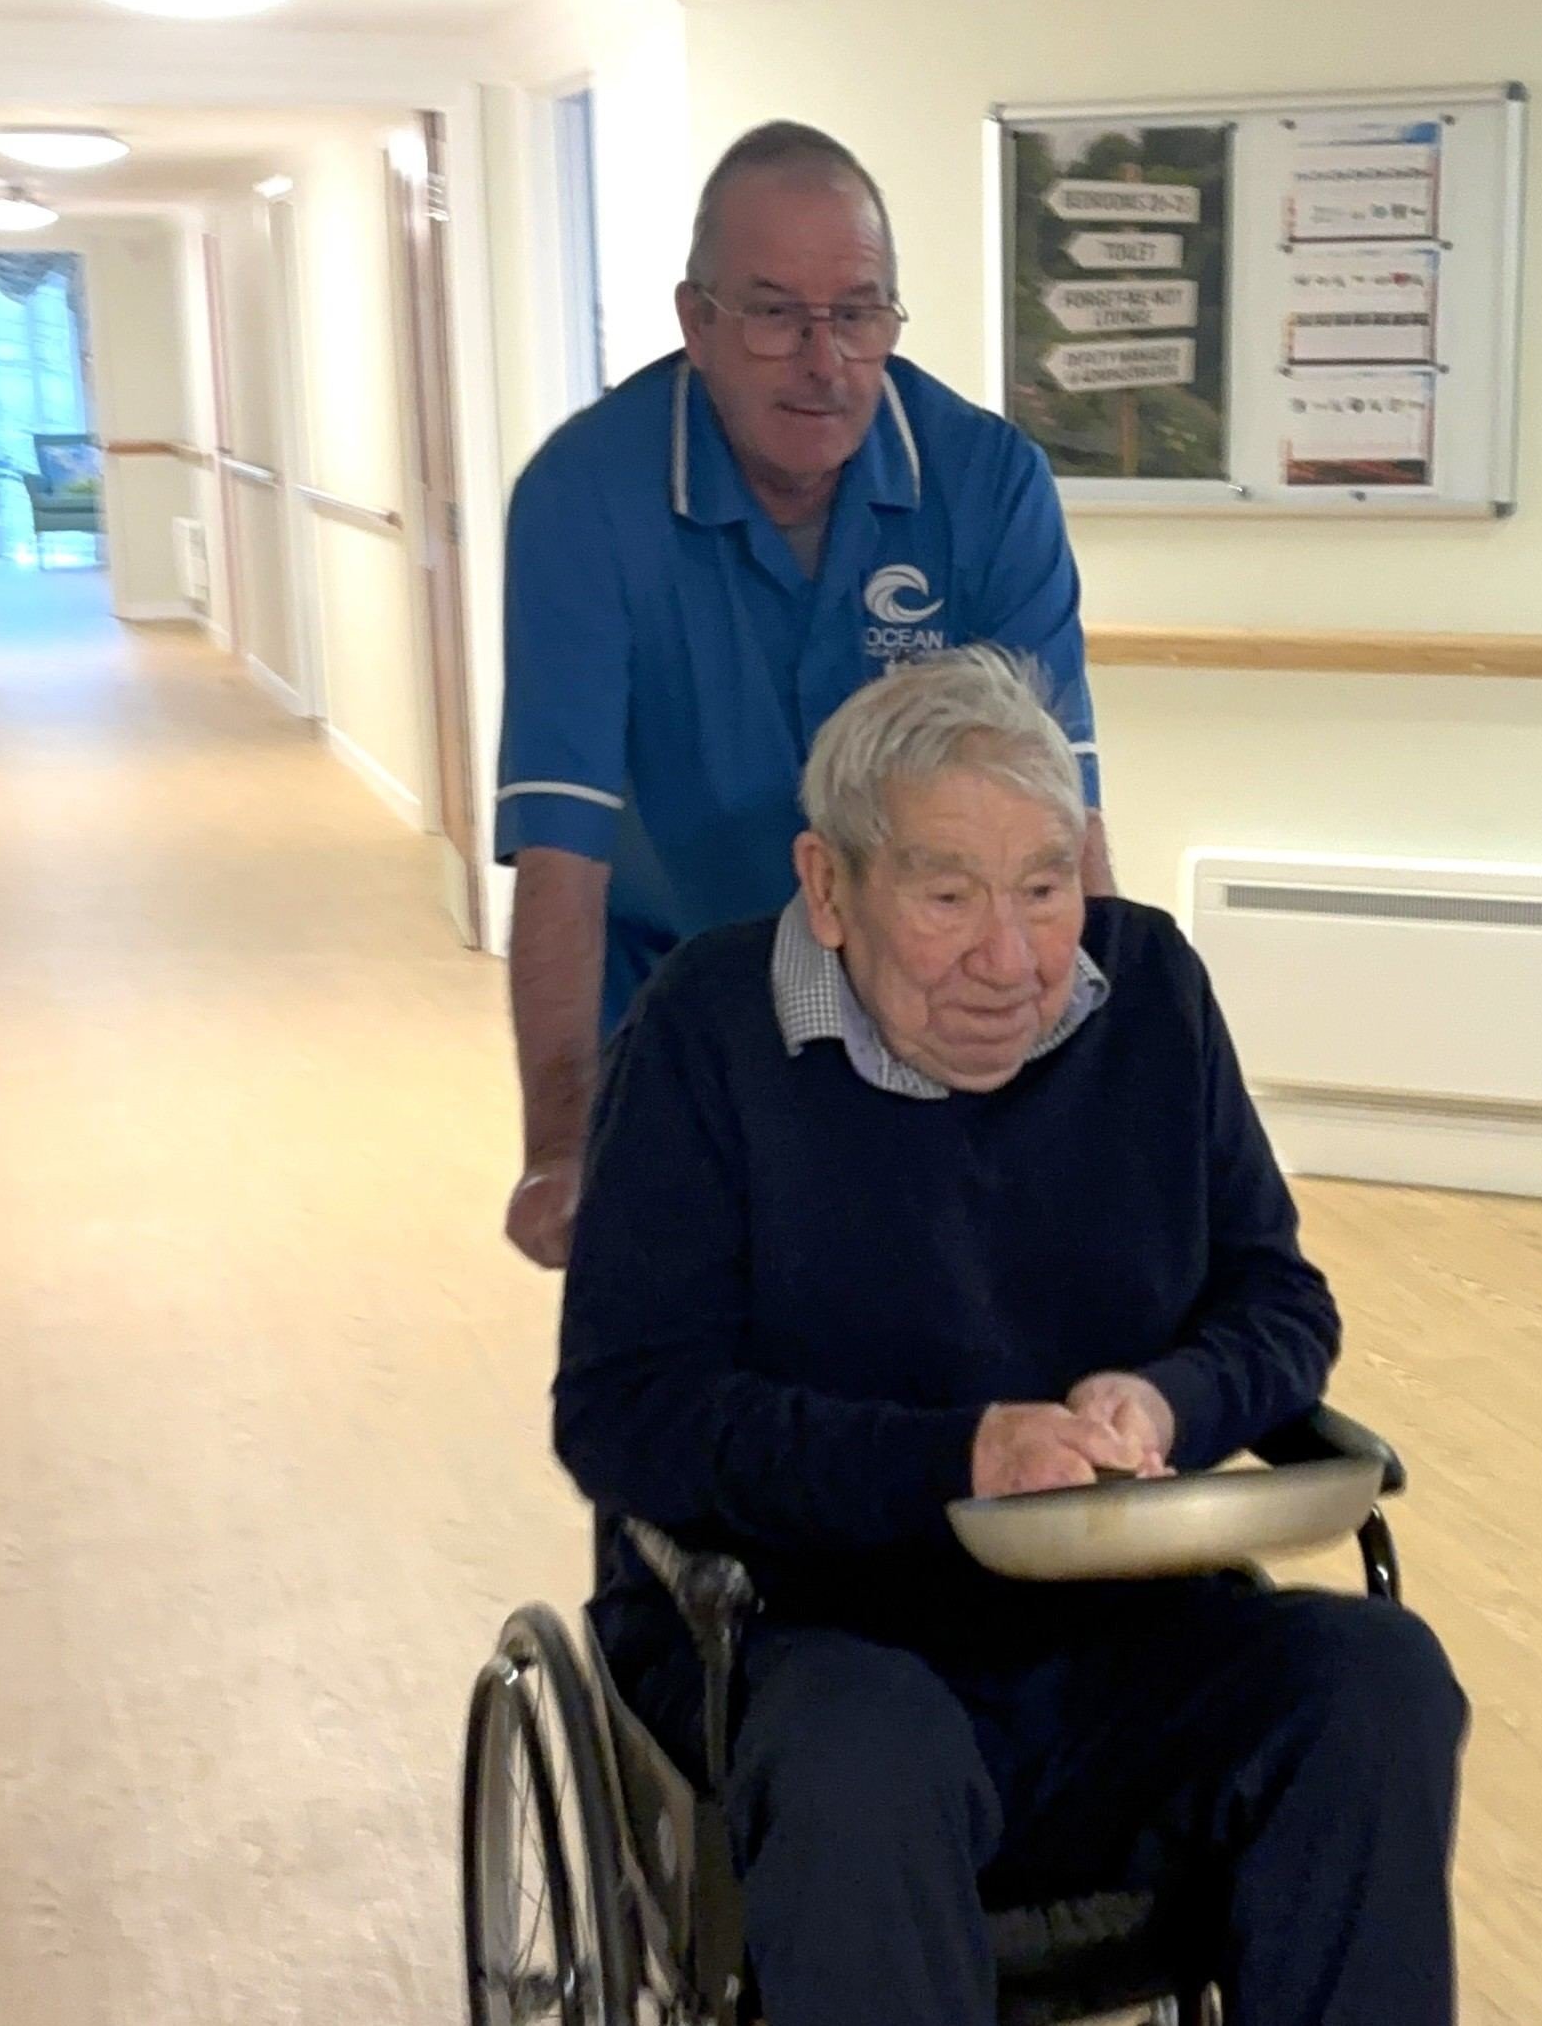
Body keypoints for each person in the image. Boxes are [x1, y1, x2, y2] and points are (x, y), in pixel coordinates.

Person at [556, 650, 1468, 2026]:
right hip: (805, 1636)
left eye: (1046, 889)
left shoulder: (1148, 987)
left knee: (1377, 1684)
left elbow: (1281, 1302)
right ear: (829, 887)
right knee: (867, 1755)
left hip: (1124, 1623)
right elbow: (626, 1411)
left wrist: (1164, 1402)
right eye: (947, 896)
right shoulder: (708, 1032)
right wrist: (956, 1457)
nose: (1013, 955)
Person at [495, 120, 1112, 1267]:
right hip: (681, 1008)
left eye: (860, 312)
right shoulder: (585, 495)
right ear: (698, 320)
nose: (824, 361)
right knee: (709, 1383)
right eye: (776, 312)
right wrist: (560, 1145)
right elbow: (560, 859)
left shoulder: (986, 482)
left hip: (925, 1009)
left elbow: (1059, 824)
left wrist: (1101, 1104)